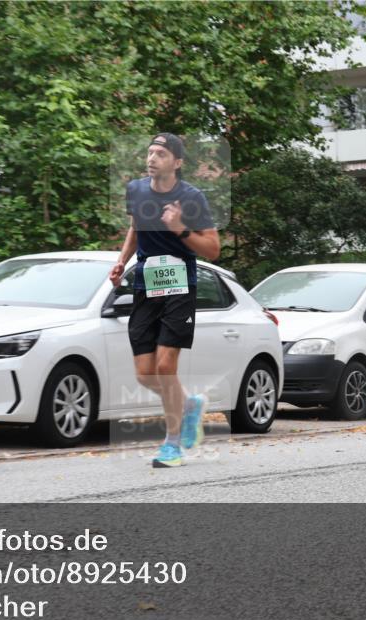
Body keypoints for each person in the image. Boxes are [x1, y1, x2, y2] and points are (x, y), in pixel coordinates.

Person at [108, 133, 221, 468]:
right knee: (144, 374)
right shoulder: (137, 190)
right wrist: (122, 260)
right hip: (146, 284)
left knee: (164, 367)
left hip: (179, 286)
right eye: (150, 151)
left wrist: (180, 230)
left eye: (161, 153)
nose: (152, 157)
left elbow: (213, 249)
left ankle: (172, 445)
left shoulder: (192, 197)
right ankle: (189, 404)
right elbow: (135, 226)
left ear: (177, 162)